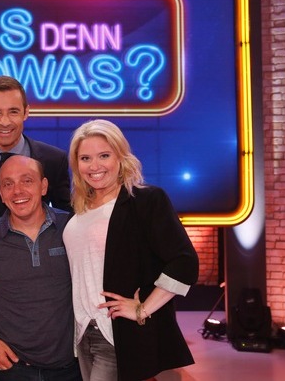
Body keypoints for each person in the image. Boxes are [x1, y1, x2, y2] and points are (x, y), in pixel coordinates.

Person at [63, 119, 199, 381]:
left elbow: (185, 263)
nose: (94, 166)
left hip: (116, 335)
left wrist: (143, 309)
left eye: (104, 155)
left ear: (120, 157)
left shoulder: (145, 201)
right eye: (85, 158)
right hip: (82, 333)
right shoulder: (77, 209)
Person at [0, 155, 82, 381]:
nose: (17, 191)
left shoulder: (71, 227)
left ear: (43, 186)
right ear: (1, 193)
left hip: (69, 367)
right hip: (12, 367)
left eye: (27, 181)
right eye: (8, 184)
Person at [0, 75, 71, 225]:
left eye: (13, 112)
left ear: (26, 112)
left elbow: (65, 219)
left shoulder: (53, 160)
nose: (4, 122)